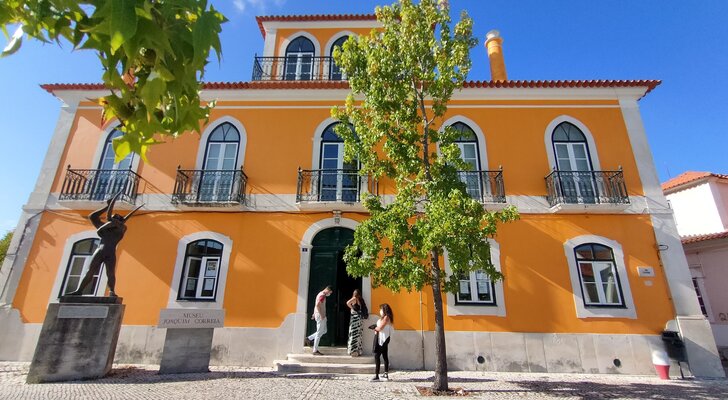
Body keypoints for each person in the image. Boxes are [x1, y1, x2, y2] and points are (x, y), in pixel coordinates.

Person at [68, 192, 142, 297]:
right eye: (113, 217)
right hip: (100, 250)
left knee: (110, 273)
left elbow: (103, 230)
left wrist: (110, 223)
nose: (114, 219)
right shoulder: (106, 228)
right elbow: (92, 216)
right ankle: (79, 290)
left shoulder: (121, 229)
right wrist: (107, 207)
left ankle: (112, 291)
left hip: (110, 252)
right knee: (90, 271)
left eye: (116, 218)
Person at [305, 285, 333, 355]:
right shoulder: (322, 296)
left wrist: (314, 313)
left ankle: (309, 338)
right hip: (321, 316)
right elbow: (317, 305)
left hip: (320, 315)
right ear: (328, 290)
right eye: (330, 292)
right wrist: (321, 315)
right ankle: (315, 350)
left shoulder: (319, 294)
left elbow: (316, 305)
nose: (329, 294)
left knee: (324, 331)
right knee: (319, 333)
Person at [370, 303, 394, 382]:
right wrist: (376, 328)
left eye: (381, 309)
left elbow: (380, 328)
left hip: (382, 339)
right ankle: (385, 374)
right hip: (381, 338)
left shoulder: (386, 317)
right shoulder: (384, 317)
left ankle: (377, 375)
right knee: (384, 355)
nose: (380, 311)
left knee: (377, 355)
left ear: (384, 310)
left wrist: (375, 328)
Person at [346, 289, 368, 357]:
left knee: (357, 334)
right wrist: (353, 308)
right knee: (355, 334)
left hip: (357, 319)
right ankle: (354, 351)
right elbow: (348, 303)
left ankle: (356, 351)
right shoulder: (355, 299)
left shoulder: (358, 299)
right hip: (356, 319)